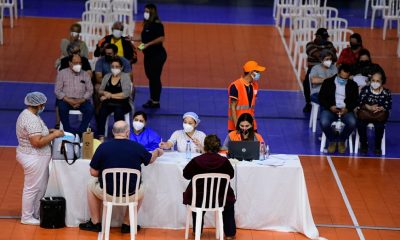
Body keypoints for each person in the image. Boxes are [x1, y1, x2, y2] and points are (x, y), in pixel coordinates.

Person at [79, 121, 164, 232]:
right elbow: (150, 159)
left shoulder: (103, 147)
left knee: (91, 184)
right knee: (141, 186)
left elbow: (93, 172)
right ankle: (127, 224)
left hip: (108, 193)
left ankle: (95, 222)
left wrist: (106, 172)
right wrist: (157, 152)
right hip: (132, 194)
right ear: (128, 132)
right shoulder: (137, 147)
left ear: (113, 132)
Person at [16, 92, 64, 225]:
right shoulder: (30, 120)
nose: (44, 106)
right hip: (33, 158)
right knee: (32, 188)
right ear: (38, 104)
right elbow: (37, 142)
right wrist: (55, 135)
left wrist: (49, 131)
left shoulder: (31, 115)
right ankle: (26, 217)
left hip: (36, 157)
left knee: (41, 187)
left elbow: (38, 132)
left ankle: (37, 213)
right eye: (43, 104)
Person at [183, 134, 236, 239]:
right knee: (229, 203)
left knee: (197, 200)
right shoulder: (224, 161)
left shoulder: (196, 161)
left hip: (199, 198)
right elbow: (231, 175)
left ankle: (197, 230)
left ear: (205, 146)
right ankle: (230, 233)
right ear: (219, 147)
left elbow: (186, 175)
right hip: (220, 198)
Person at [319, 64, 359, 154]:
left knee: (352, 122)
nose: (343, 79)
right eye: (341, 77)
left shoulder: (353, 85)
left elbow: (356, 100)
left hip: (345, 110)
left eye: (345, 78)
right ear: (337, 73)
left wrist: (347, 109)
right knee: (324, 122)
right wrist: (330, 106)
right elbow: (321, 98)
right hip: (330, 109)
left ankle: (341, 140)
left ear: (349, 77)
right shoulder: (327, 82)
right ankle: (332, 140)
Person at [136, 3, 167, 108]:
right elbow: (145, 38)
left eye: (147, 12)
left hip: (158, 55)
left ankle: (155, 101)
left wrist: (148, 44)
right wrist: (133, 39)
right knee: (150, 77)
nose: (145, 13)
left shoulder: (157, 24)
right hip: (148, 55)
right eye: (145, 11)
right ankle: (152, 98)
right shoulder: (147, 24)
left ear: (152, 13)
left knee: (155, 77)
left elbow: (161, 38)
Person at [55, 54, 94, 135]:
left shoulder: (85, 74)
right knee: (62, 108)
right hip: (66, 99)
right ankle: (68, 131)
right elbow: (57, 91)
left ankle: (81, 131)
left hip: (82, 99)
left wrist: (81, 100)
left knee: (90, 109)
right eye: (75, 63)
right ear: (70, 63)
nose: (78, 65)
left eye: (80, 63)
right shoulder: (62, 73)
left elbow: (90, 90)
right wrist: (69, 100)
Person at [356, 70, 392, 155]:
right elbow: (359, 102)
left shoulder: (386, 92)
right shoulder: (365, 90)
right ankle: (364, 144)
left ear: (382, 81)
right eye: (373, 80)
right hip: (366, 114)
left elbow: (389, 105)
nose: (375, 83)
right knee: (360, 124)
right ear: (370, 80)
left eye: (377, 81)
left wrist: (381, 108)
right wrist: (368, 107)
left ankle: (377, 146)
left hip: (379, 116)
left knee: (380, 126)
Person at [97, 57, 133, 140]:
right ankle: (101, 135)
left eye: (117, 67)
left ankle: (120, 134)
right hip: (109, 103)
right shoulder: (107, 76)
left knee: (118, 111)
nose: (114, 68)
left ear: (121, 67)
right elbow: (100, 90)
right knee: (102, 111)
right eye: (113, 66)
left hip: (123, 103)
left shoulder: (125, 77)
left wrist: (110, 95)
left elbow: (126, 94)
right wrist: (104, 93)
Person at [303, 28, 337, 112]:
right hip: (314, 69)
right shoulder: (310, 45)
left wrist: (327, 56)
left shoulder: (330, 44)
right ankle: (308, 102)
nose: (325, 40)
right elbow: (319, 56)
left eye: (326, 38)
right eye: (323, 38)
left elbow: (334, 58)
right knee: (306, 81)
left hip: (329, 68)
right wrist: (328, 55)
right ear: (317, 36)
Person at [228, 60, 266, 132]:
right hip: (237, 127)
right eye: (257, 72)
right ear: (251, 72)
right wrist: (237, 127)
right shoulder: (235, 86)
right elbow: (233, 107)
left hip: (251, 125)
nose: (259, 74)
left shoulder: (255, 85)